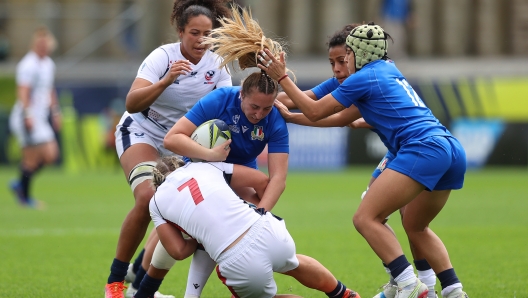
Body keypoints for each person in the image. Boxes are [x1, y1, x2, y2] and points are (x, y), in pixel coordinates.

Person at [260, 23, 469, 298]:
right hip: (449, 147)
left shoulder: (362, 77)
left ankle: (410, 285)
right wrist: (266, 105)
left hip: (421, 148)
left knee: (366, 218)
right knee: (415, 225)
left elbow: (313, 110)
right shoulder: (386, 68)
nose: (341, 64)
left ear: (356, 52)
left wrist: (282, 77)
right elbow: (330, 113)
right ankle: (452, 289)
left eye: (345, 56)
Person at [133, 6, 292, 297]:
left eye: (266, 108)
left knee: (245, 229)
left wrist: (262, 212)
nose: (259, 114)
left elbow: (277, 178)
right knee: (185, 232)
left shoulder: (275, 120)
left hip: (238, 173)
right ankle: (141, 286)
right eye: (253, 107)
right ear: (241, 94)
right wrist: (210, 156)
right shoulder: (222, 98)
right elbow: (173, 138)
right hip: (204, 168)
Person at [104, 1, 233, 297]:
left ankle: (141, 280)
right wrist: (166, 80)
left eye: (207, 34)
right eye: (194, 33)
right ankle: (114, 282)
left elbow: (227, 104)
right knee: (149, 196)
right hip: (141, 132)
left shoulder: (217, 63)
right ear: (180, 31)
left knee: (178, 211)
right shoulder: (162, 57)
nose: (201, 40)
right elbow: (132, 102)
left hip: (180, 144)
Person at [146, 156, 360, 298]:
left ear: (156, 184)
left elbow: (178, 251)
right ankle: (344, 294)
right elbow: (259, 178)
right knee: (294, 263)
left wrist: (199, 235)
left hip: (238, 260)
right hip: (268, 229)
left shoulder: (156, 202)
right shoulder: (203, 166)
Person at [8, 25, 61, 209]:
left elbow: (50, 90)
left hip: (40, 117)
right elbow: (23, 91)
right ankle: (25, 197)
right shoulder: (28, 64)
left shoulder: (48, 64)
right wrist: (28, 114)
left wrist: (55, 112)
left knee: (51, 155)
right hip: (26, 117)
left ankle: (19, 184)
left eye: (45, 43)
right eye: (39, 43)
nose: (43, 46)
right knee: (31, 159)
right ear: (34, 44)